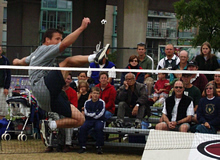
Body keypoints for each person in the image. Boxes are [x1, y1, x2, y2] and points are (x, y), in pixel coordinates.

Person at [12, 17, 109, 146]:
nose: (59, 42)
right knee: (66, 62)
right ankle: (94, 57)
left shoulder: (35, 54)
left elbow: (23, 61)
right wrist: (81, 27)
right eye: (57, 39)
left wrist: (16, 62)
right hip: (42, 87)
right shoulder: (44, 49)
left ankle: (50, 125)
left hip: (46, 101)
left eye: (60, 39)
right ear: (47, 40)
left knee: (80, 119)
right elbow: (65, 45)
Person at [78, 87, 105, 154]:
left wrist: (94, 115)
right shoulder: (87, 102)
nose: (95, 95)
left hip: (99, 119)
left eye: (97, 93)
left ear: (99, 94)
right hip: (89, 120)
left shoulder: (102, 102)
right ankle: (82, 146)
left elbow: (101, 113)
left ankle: (99, 146)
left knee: (99, 128)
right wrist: (94, 114)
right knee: (83, 128)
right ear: (91, 94)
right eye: (94, 93)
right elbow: (86, 112)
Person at [0, 46, 11, 120]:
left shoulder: (5, 61)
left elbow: (8, 75)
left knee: (2, 108)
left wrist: (6, 87)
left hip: (2, 88)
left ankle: (1, 124)